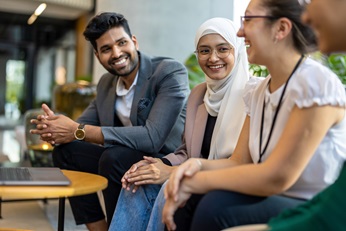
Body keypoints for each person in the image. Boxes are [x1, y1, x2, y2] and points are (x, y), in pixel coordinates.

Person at [162, 0, 346, 230]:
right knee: (193, 199)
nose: (240, 32)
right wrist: (193, 166)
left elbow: (276, 177)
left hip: (312, 202)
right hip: (274, 196)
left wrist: (195, 182)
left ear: (281, 28)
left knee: (214, 206)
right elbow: (238, 161)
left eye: (248, 20)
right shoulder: (257, 90)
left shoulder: (315, 85)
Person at [30, 12, 190, 230]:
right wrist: (55, 129)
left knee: (113, 158)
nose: (116, 53)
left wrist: (77, 130)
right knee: (67, 152)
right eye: (106, 49)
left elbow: (152, 138)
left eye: (121, 43)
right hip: (121, 158)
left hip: (163, 159)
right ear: (97, 55)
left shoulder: (168, 72)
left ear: (134, 41)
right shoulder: (106, 83)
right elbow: (81, 126)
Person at [108, 17, 249, 231]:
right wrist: (161, 164)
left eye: (222, 49)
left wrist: (173, 174)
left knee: (170, 186)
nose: (213, 58)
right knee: (138, 182)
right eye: (204, 51)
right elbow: (185, 151)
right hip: (191, 172)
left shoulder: (252, 95)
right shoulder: (199, 94)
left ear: (237, 51)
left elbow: (241, 163)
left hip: (226, 181)